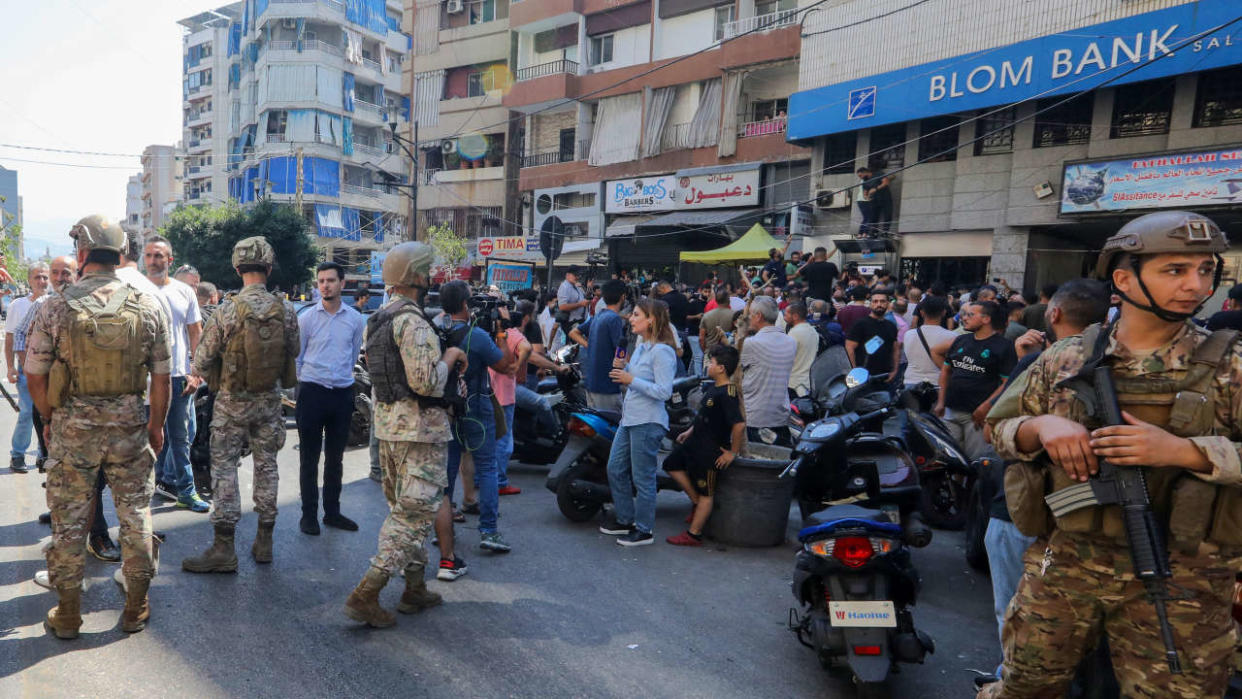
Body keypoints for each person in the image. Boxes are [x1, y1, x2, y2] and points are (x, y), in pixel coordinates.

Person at [980, 211, 1242, 698]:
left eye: (1206, 270)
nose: (1195, 285)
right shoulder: (1067, 356)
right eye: (1175, 270)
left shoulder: (1231, 364)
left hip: (1184, 578)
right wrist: (1041, 426)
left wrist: (1186, 452)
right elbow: (998, 429)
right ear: (1124, 278)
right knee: (1025, 687)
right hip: (1068, 564)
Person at [28, 215, 170, 638]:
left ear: (82, 254)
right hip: (129, 430)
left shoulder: (56, 304)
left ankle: (69, 614)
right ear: (121, 253)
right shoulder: (148, 304)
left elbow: (35, 374)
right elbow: (162, 378)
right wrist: (156, 427)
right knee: (136, 517)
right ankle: (135, 607)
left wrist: (52, 419)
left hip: (74, 430)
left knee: (69, 521)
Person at [980, 279, 1109, 674]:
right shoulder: (1116, 359)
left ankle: (1012, 676)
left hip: (1031, 516)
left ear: (1054, 314)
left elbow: (992, 428)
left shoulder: (1046, 360)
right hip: (1096, 526)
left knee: (1018, 612)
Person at [343, 242, 466, 628]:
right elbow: (427, 382)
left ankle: (414, 588)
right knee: (412, 516)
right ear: (416, 276)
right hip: (420, 432)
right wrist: (451, 357)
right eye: (427, 271)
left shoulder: (378, 318)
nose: (431, 278)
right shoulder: (412, 322)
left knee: (405, 508)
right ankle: (367, 592)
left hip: (391, 429)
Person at [182, 237, 299, 574]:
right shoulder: (286, 309)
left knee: (224, 470)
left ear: (237, 267)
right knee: (267, 467)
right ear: (269, 266)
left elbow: (202, 359)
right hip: (268, 402)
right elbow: (295, 349)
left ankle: (223, 547)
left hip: (231, 402)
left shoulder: (227, 310)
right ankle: (265, 540)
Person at [439, 280, 517, 553]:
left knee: (448, 469)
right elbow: (506, 364)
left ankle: (443, 527)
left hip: (447, 409)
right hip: (476, 406)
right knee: (486, 467)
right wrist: (501, 332)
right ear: (464, 304)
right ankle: (489, 531)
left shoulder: (438, 331)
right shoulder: (477, 336)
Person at [598, 299, 677, 547]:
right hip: (630, 418)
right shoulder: (642, 346)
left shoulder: (663, 351)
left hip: (648, 421)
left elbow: (664, 391)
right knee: (615, 468)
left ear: (651, 319)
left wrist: (630, 378)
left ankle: (644, 529)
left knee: (643, 477)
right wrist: (625, 368)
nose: (630, 319)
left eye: (635, 314)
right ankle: (625, 517)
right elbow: (636, 376)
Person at [296, 262, 366, 535]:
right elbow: (298, 359)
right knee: (309, 458)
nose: (324, 285)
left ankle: (332, 512)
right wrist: (311, 381)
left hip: (342, 394)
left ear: (342, 283)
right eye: (321, 281)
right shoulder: (307, 318)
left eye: (330, 280)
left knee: (335, 458)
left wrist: (338, 379)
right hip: (312, 392)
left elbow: (352, 356)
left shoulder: (354, 319)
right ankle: (309, 515)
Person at [145, 236, 208, 513]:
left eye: (159, 256)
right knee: (143, 438)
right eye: (149, 256)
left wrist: (197, 372)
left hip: (177, 376)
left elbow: (196, 333)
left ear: (169, 260)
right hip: (143, 378)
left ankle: (186, 491)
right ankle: (141, 496)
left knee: (181, 438)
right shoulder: (135, 289)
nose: (153, 261)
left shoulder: (184, 291)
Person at [665, 344, 745, 547]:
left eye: (712, 362)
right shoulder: (713, 387)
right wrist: (689, 431)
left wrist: (732, 453)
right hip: (695, 443)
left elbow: (739, 424)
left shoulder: (728, 393)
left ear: (721, 368)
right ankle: (696, 503)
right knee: (671, 464)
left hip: (710, 451)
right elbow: (704, 416)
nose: (708, 365)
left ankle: (694, 534)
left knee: (706, 493)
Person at [933, 300, 1015, 461]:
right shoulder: (960, 340)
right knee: (949, 459)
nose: (964, 318)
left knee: (975, 461)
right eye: (964, 314)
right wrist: (941, 401)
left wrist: (986, 407)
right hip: (950, 410)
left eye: (970, 314)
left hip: (976, 417)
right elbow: (946, 371)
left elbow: (1008, 382)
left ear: (986, 319)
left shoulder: (1004, 347)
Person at [6, 262, 48, 472]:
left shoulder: (52, 303)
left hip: (49, 373)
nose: (41, 281)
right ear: (30, 280)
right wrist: (12, 368)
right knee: (27, 413)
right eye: (37, 277)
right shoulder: (18, 305)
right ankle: (18, 454)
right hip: (27, 370)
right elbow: (12, 338)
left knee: (47, 415)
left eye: (45, 277)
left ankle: (44, 454)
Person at [739, 296, 798, 446]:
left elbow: (735, 370)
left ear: (758, 316)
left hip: (755, 415)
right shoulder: (790, 342)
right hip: (779, 414)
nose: (749, 318)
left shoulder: (751, 343)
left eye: (750, 314)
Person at [491, 304, 532, 497]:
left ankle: (482, 478)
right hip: (504, 396)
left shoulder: (484, 330)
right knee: (503, 441)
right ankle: (499, 481)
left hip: (487, 393)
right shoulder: (511, 333)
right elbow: (527, 348)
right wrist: (517, 364)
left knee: (488, 439)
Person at [569, 279, 627, 412]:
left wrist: (590, 345)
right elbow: (620, 350)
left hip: (592, 383)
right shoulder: (614, 319)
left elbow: (573, 332)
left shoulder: (598, 316)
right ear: (622, 297)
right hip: (607, 386)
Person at [845, 291, 901, 385]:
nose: (879, 304)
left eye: (882, 301)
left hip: (884, 376)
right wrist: (854, 372)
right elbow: (849, 348)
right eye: (875, 301)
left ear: (887, 303)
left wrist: (895, 370)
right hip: (863, 377)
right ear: (870, 304)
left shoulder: (891, 326)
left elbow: (895, 349)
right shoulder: (860, 324)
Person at [902, 295, 955, 388]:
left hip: (911, 382)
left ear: (921, 313)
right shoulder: (952, 337)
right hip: (938, 384)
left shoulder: (908, 335)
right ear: (944, 312)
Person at [785, 302, 818, 398]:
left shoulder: (794, 333)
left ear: (795, 316)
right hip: (808, 382)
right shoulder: (813, 331)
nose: (784, 316)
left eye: (786, 314)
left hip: (794, 384)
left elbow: (786, 358)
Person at [857, 166, 895, 237]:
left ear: (865, 172)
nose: (860, 177)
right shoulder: (865, 182)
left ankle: (885, 232)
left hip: (885, 198)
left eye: (860, 175)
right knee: (873, 217)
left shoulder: (878, 174)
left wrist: (876, 188)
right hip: (874, 201)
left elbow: (886, 182)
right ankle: (874, 232)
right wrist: (867, 197)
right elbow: (865, 192)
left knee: (887, 215)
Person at [557, 266, 589, 331]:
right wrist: (580, 304)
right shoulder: (564, 287)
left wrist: (589, 288)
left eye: (579, 275)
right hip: (571, 323)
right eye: (575, 275)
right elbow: (562, 307)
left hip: (579, 321)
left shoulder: (575, 286)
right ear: (567, 275)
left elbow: (583, 298)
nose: (578, 277)